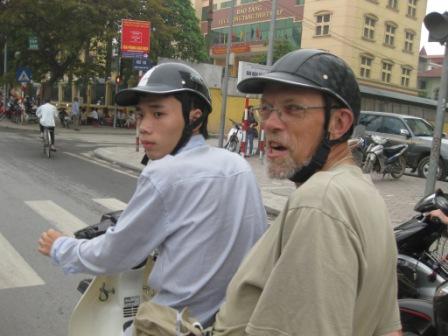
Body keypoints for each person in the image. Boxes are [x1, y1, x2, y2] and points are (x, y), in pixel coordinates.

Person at [38, 62, 267, 331]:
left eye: (158, 114)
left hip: (174, 324)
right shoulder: (238, 166)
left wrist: (61, 248)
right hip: (234, 324)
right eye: (140, 114)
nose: (144, 127)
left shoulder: (164, 174)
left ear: (194, 117)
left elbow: (115, 254)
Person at [210, 49, 402, 335]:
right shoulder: (362, 190)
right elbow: (391, 329)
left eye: (293, 109)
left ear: (338, 124)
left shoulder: (320, 200)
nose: (270, 124)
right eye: (267, 108)